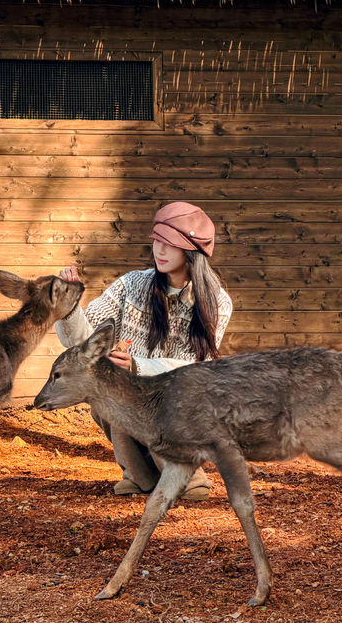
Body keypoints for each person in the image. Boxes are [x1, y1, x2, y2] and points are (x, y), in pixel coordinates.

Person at [55, 201, 233, 501]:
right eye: (157, 242)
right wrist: (69, 309)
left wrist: (137, 366)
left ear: (191, 251)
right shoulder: (131, 285)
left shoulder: (217, 301)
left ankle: (187, 476)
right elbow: (83, 342)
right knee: (105, 390)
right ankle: (141, 478)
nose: (159, 251)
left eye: (169, 244)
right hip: (128, 390)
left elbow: (194, 368)